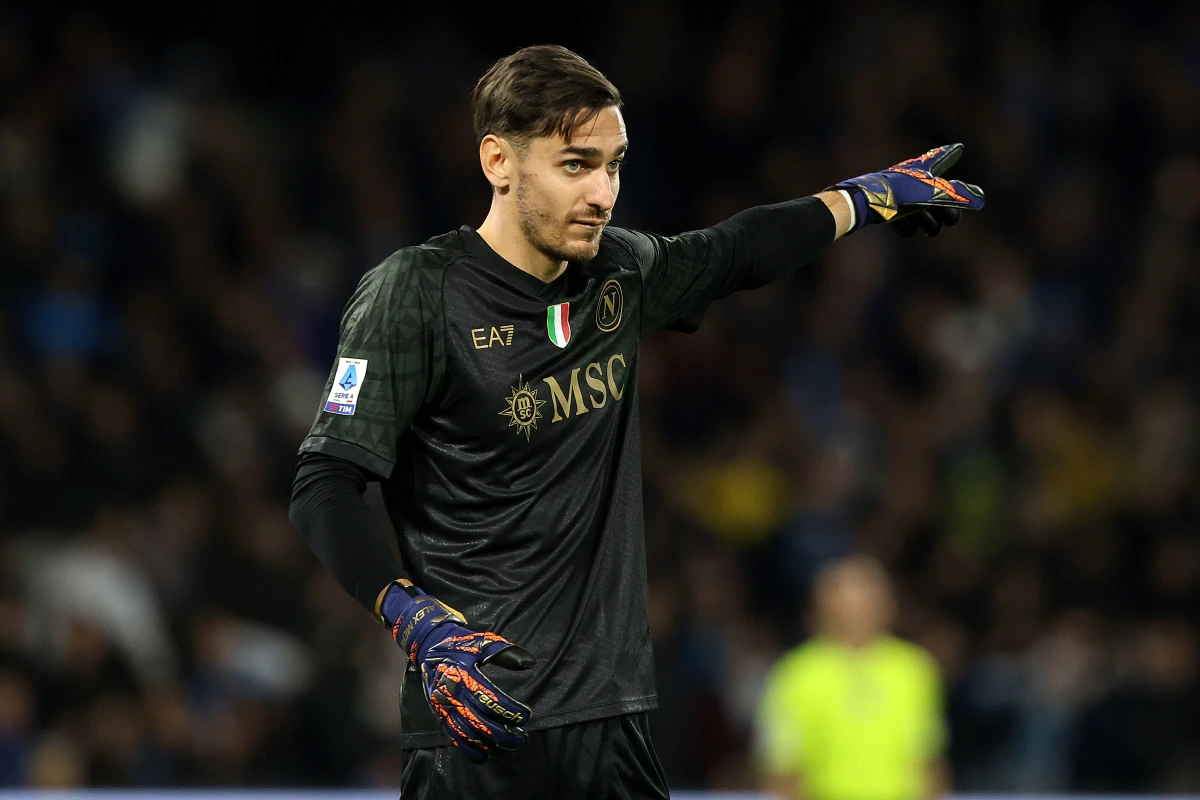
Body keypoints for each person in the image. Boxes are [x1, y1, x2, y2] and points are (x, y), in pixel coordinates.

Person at [288, 43, 983, 799]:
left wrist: (867, 195)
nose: (603, 193)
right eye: (577, 164)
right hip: (478, 720)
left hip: (615, 723)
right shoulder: (415, 294)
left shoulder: (616, 274)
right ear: (499, 161)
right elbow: (325, 481)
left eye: (615, 165)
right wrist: (414, 621)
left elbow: (735, 251)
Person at [755, 556, 950, 800]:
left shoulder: (914, 669)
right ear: (823, 605)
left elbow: (929, 759)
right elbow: (781, 767)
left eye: (869, 596)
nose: (860, 607)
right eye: (848, 597)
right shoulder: (796, 674)